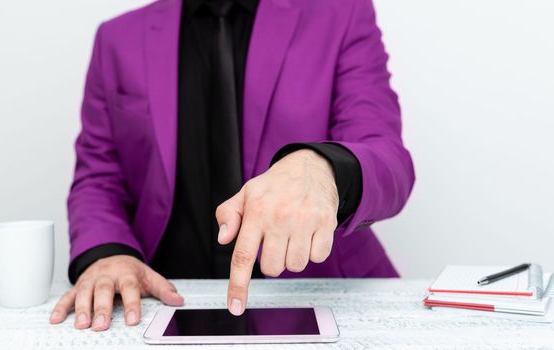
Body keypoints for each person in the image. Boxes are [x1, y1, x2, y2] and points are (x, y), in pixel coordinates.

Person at [49, 0, 415, 332]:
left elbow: (386, 155)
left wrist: (324, 169)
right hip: (165, 306)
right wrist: (108, 252)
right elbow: (98, 178)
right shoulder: (116, 39)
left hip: (325, 300)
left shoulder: (342, 12)